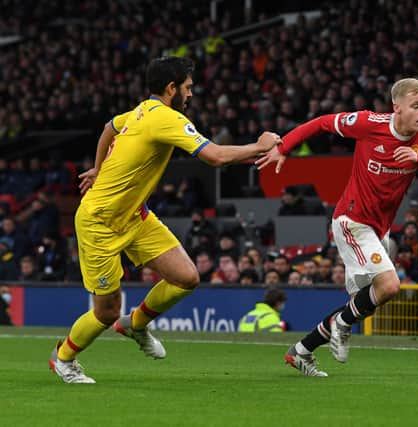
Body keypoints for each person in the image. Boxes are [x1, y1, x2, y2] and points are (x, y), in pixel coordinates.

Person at [48, 57, 281, 384]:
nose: (190, 94)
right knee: (106, 311)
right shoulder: (165, 118)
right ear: (171, 88)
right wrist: (259, 146)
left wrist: (100, 167)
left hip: (135, 216)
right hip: (98, 221)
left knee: (186, 277)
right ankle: (63, 358)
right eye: (187, 88)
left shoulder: (141, 111)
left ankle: (136, 324)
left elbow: (108, 129)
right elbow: (213, 157)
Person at [257, 77, 418, 376]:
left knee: (362, 301)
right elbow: (321, 123)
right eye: (416, 106)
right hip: (352, 221)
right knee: (389, 286)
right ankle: (339, 326)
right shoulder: (369, 123)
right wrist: (284, 148)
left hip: (379, 229)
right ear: (397, 108)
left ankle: (301, 351)